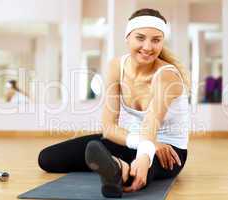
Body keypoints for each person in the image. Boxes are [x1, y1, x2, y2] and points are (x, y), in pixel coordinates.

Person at [38, 8, 191, 198]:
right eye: (140, 38)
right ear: (127, 37)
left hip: (169, 151)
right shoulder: (116, 66)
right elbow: (109, 128)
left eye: (156, 40)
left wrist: (145, 154)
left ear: (162, 42)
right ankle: (116, 165)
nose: (148, 46)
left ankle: (119, 168)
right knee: (48, 159)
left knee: (143, 171)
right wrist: (146, 142)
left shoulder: (167, 76)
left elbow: (151, 122)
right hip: (132, 140)